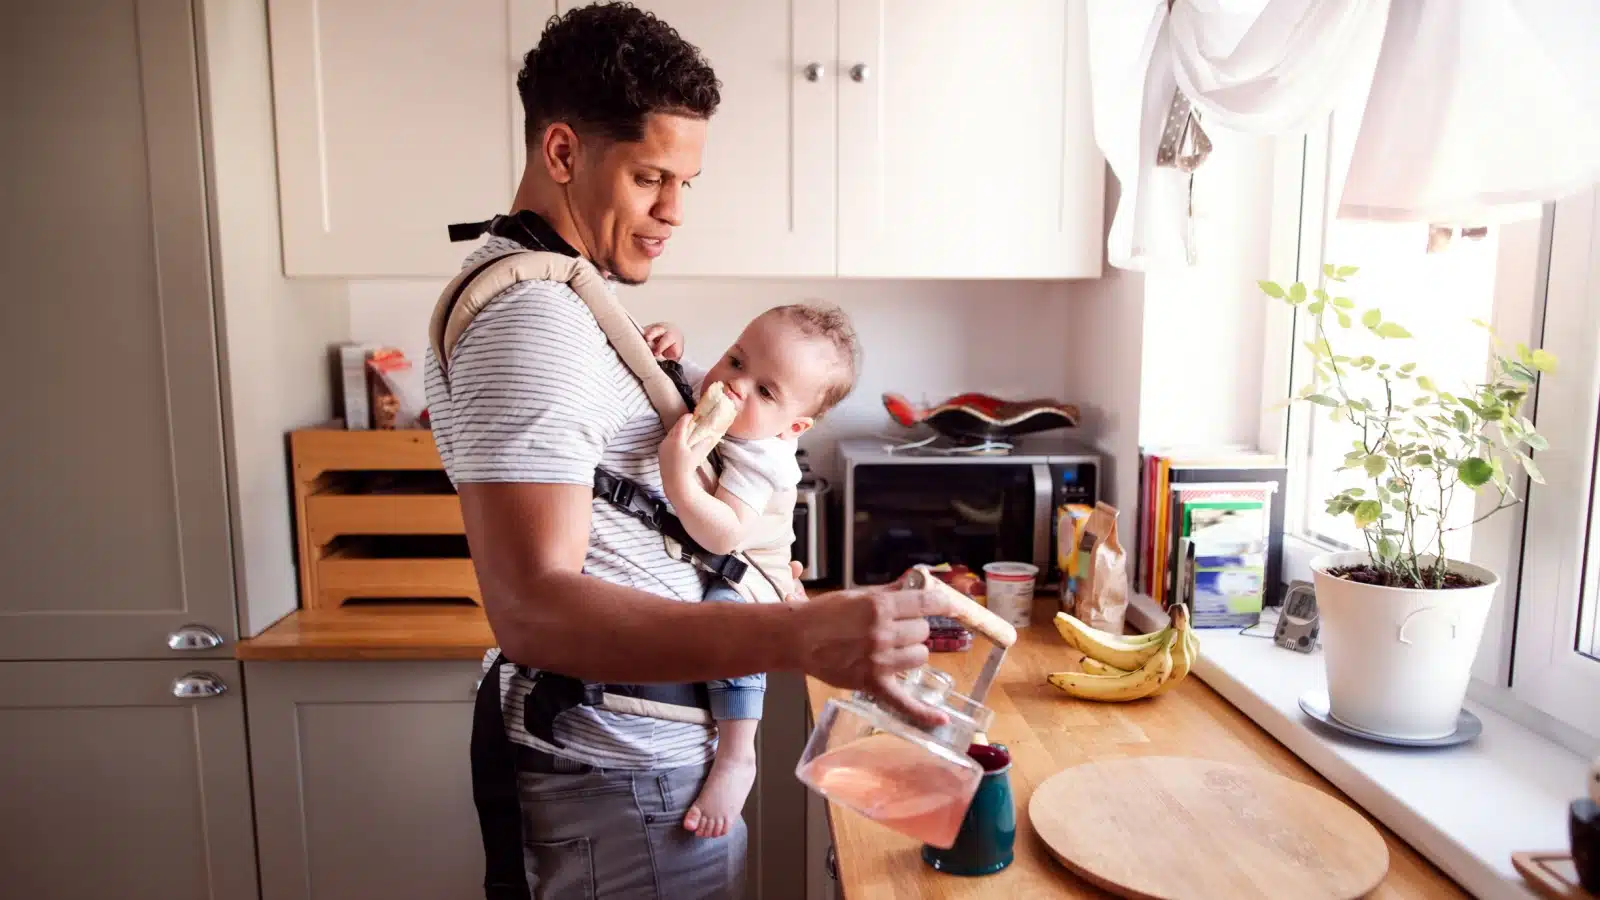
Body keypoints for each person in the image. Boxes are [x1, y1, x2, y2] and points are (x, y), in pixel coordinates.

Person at [421, 4, 952, 898]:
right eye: (649, 178)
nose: (672, 213)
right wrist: (797, 632)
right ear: (562, 153)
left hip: (639, 770)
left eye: (686, 184)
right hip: (620, 783)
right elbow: (533, 609)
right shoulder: (532, 319)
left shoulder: (569, 293)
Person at [642, 305, 861, 839]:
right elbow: (684, 375)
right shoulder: (728, 393)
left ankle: (738, 754)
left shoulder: (762, 453)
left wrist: (679, 478)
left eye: (765, 391)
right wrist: (673, 343)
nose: (736, 386)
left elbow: (723, 533)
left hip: (755, 574)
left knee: (732, 624)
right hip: (729, 561)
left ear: (794, 427)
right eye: (736, 360)